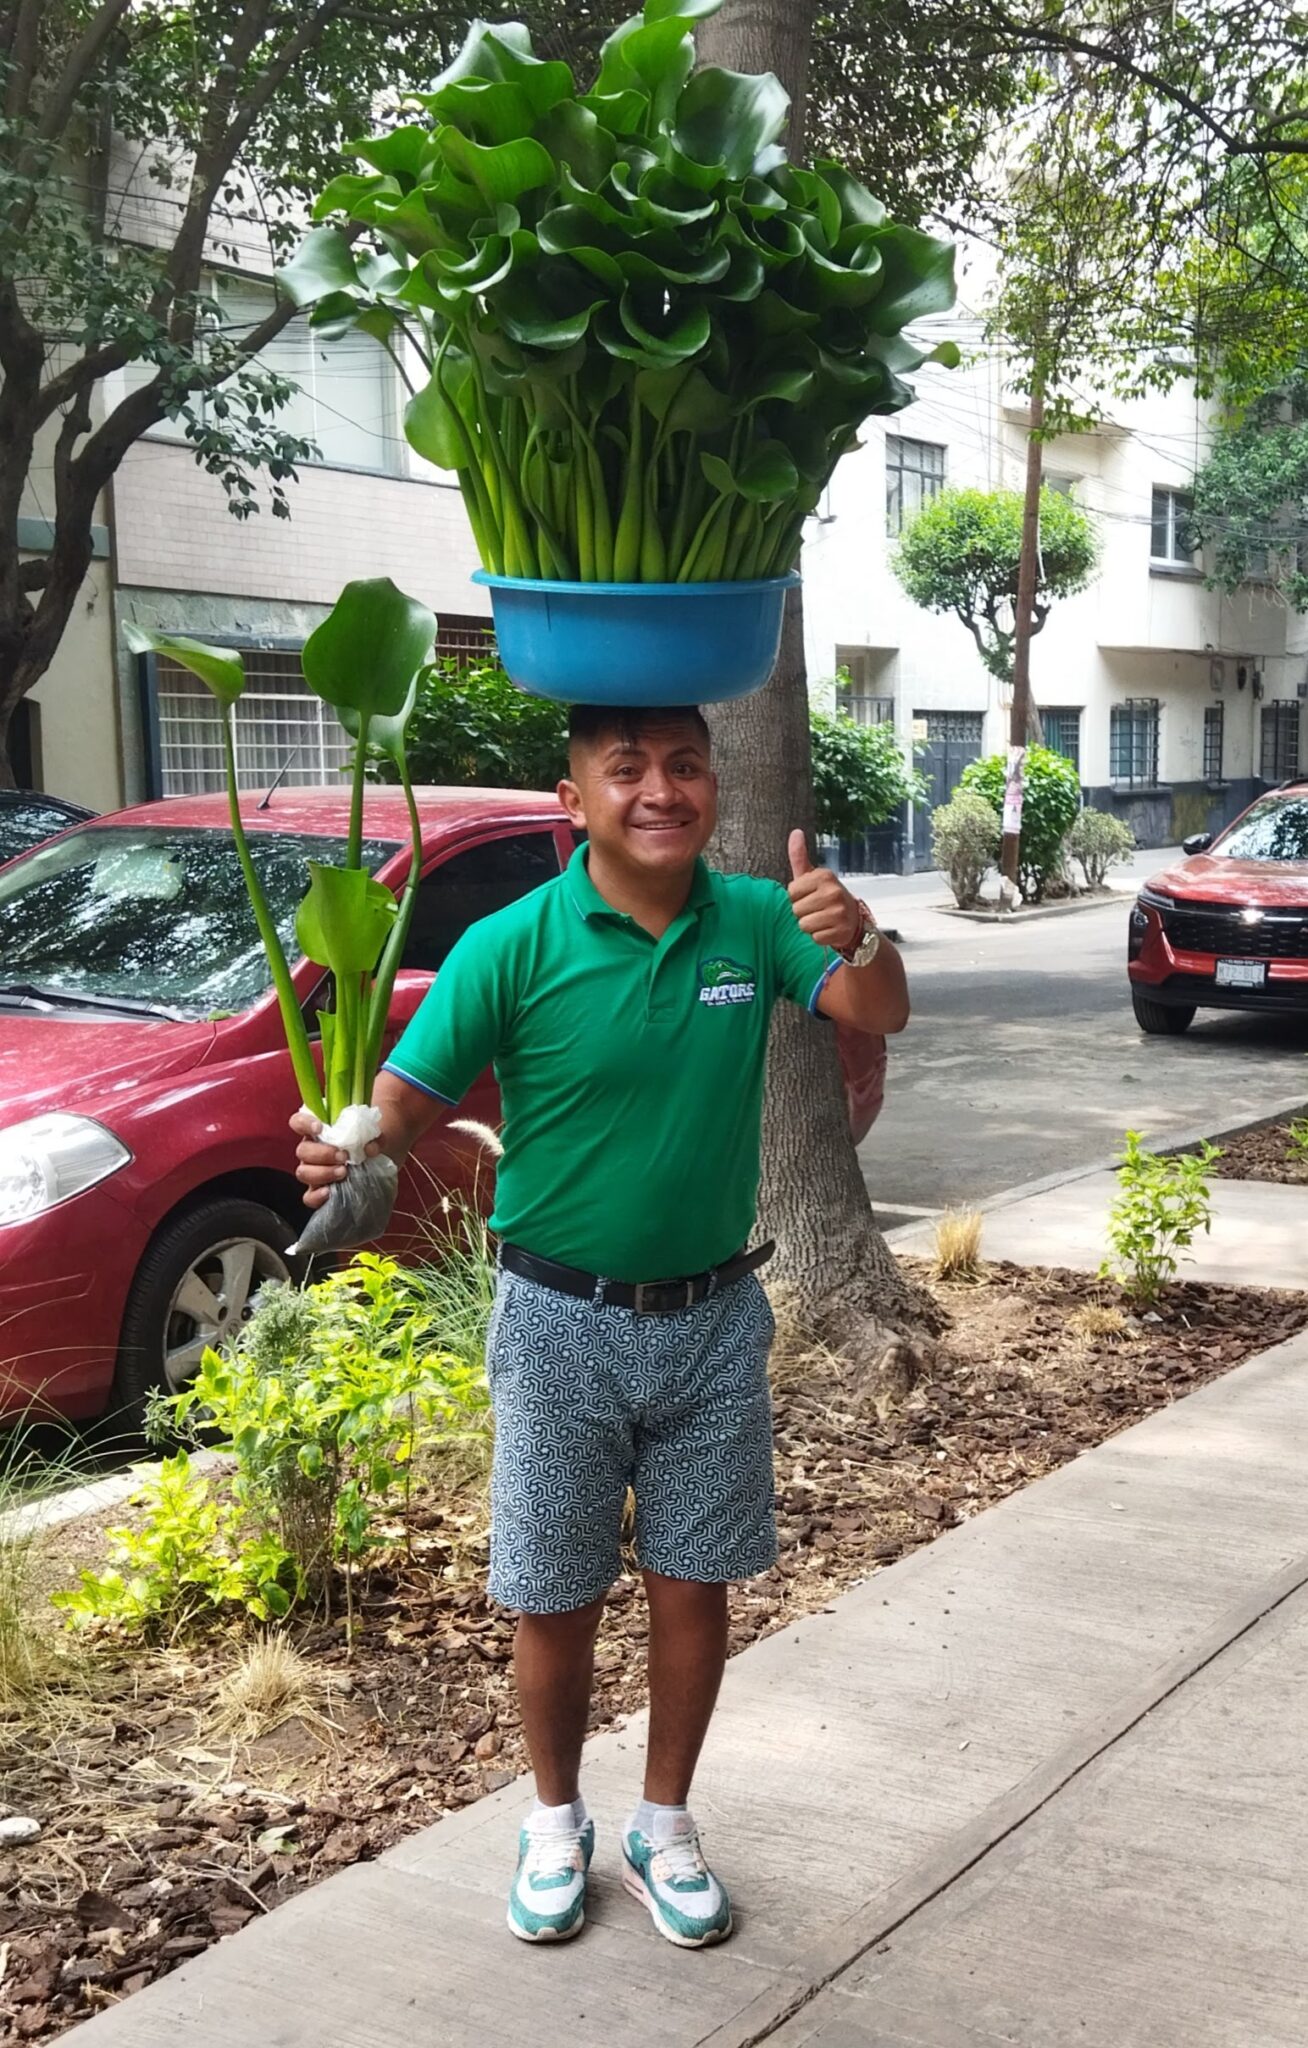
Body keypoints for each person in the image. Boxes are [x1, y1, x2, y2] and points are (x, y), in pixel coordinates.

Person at [293, 702, 908, 1950]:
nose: (661, 790)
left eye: (685, 766)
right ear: (574, 799)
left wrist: (867, 933)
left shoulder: (754, 919)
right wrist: (345, 1148)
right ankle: (556, 1817)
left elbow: (878, 1010)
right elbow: (403, 1105)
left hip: (712, 1317)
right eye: (626, 769)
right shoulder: (511, 944)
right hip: (558, 1320)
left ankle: (664, 1821)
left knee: (696, 1586)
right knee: (554, 1593)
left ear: (713, 789)